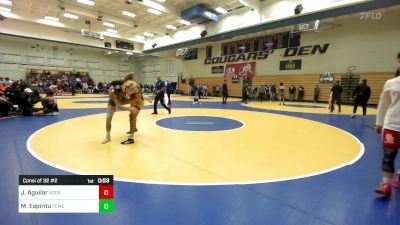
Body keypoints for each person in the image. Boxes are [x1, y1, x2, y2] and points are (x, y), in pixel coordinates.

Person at [373, 52, 400, 197]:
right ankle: (386, 184)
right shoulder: (391, 83)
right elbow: (383, 104)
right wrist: (379, 123)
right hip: (392, 126)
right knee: (389, 155)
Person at [101, 73, 135, 144]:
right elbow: (119, 106)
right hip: (113, 101)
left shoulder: (128, 85)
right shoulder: (114, 94)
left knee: (135, 101)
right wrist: (130, 109)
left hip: (122, 99)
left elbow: (134, 95)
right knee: (108, 119)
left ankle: (134, 127)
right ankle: (108, 136)